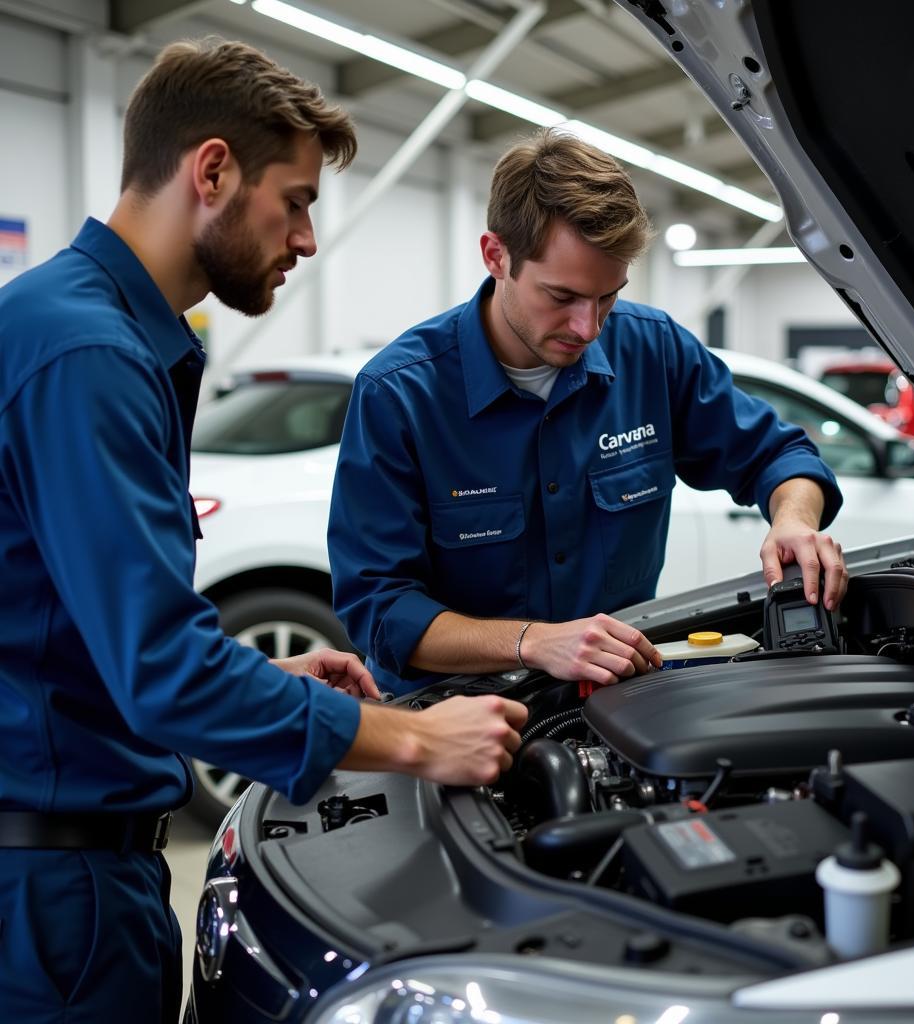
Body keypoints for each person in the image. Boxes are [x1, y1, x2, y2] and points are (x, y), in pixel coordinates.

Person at [0, 38, 526, 1024]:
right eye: (296, 201)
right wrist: (416, 739)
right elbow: (162, 666)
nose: (306, 240)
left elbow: (65, 639)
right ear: (211, 171)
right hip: (47, 902)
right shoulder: (88, 356)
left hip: (63, 866)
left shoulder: (73, 325)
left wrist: (272, 686)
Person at [329, 128, 848, 698]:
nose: (589, 326)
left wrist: (793, 519)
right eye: (562, 296)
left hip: (615, 704)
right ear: (496, 256)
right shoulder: (400, 393)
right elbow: (381, 610)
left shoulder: (654, 351)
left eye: (608, 296)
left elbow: (781, 455)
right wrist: (532, 641)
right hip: (455, 716)